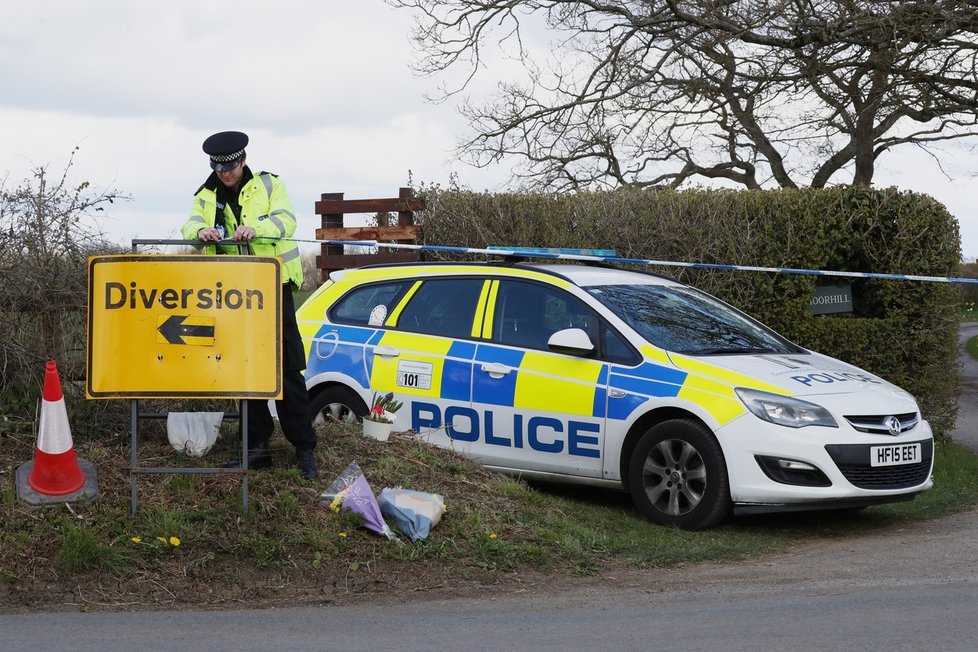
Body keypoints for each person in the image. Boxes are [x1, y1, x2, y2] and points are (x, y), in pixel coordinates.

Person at [181, 130, 319, 480]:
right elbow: (190, 224)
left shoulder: (270, 185)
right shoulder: (206, 194)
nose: (226, 173)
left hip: (274, 288)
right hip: (235, 296)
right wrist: (200, 233)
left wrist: (254, 228)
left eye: (231, 166)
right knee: (245, 371)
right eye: (219, 167)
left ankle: (304, 448)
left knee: (287, 370)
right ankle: (256, 448)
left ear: (243, 160)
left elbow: (286, 220)